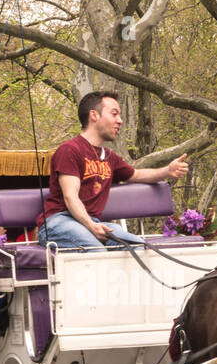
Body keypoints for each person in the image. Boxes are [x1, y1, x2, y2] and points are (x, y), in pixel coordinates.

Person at [36, 92, 189, 249]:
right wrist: (91, 226)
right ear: (94, 115)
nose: (120, 121)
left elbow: (136, 175)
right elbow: (70, 197)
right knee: (98, 253)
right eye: (114, 114)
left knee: (140, 248)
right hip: (59, 222)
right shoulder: (69, 150)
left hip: (93, 223)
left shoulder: (110, 157)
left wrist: (167, 171)